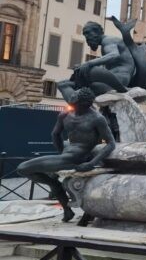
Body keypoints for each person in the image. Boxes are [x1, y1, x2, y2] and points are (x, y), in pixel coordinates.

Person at [17, 88, 116, 222]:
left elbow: (111, 143)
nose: (71, 99)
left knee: (23, 168)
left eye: (74, 99)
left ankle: (59, 193)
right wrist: (61, 153)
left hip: (79, 158)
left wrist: (91, 163)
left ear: (82, 103)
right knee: (24, 170)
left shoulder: (97, 118)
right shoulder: (65, 115)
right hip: (66, 156)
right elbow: (55, 134)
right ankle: (61, 198)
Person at [56, 17, 146, 103]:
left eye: (88, 34)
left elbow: (114, 55)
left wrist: (89, 63)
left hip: (120, 79)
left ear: (97, 32)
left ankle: (122, 90)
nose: (87, 39)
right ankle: (77, 104)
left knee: (87, 78)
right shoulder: (105, 44)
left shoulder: (108, 41)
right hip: (111, 78)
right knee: (63, 84)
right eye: (86, 36)